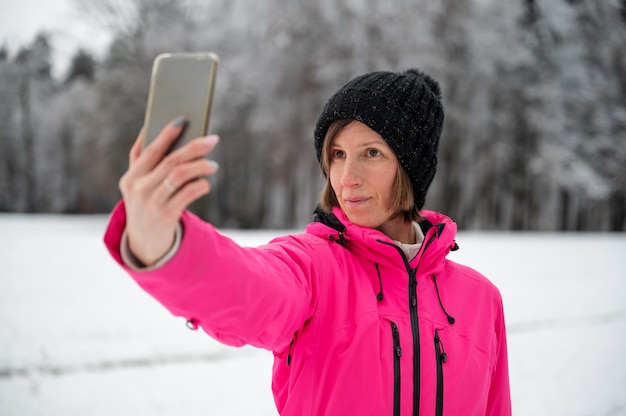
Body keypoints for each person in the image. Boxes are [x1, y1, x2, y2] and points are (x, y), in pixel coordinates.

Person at [104, 68, 511, 415]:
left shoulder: (481, 299)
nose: (347, 177)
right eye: (337, 154)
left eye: (370, 153)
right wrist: (165, 244)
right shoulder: (313, 268)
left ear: (412, 168)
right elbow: (247, 286)